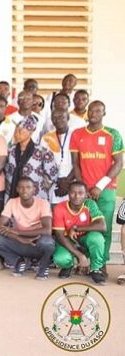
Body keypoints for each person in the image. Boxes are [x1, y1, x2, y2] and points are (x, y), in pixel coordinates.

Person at [70, 100, 123, 268]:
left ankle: (100, 263)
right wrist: (82, 187)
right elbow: (75, 163)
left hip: (106, 189)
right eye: (91, 110)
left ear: (104, 113)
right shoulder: (77, 134)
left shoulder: (113, 134)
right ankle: (84, 261)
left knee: (104, 227)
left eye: (98, 111)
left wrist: (99, 186)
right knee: (83, 225)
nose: (94, 114)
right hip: (83, 191)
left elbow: (119, 163)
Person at [0, 177, 55, 280]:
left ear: (34, 189)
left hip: (36, 242)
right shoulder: (12, 202)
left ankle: (44, 266)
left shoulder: (43, 203)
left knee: (47, 242)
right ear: (17, 189)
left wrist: (18, 232)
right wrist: (18, 237)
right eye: (21, 187)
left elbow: (47, 230)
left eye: (28, 187)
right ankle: (18, 262)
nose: (24, 190)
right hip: (20, 243)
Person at [52, 181, 107, 284]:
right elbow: (59, 235)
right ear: (68, 193)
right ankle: (68, 266)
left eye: (80, 193)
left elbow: (102, 226)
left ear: (86, 194)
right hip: (68, 240)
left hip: (85, 239)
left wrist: (77, 228)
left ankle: (95, 269)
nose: (77, 196)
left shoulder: (90, 204)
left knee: (97, 238)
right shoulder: (59, 208)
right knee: (60, 258)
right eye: (73, 192)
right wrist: (80, 256)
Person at [5, 116, 58, 201]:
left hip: (36, 196)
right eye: (16, 130)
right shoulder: (10, 151)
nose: (16, 133)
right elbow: (6, 171)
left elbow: (52, 173)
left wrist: (40, 186)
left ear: (30, 132)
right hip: (12, 194)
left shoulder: (43, 152)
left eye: (20, 130)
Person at [40, 110, 74, 205]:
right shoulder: (46, 138)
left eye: (61, 117)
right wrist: (58, 181)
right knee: (54, 210)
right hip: (53, 184)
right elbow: (43, 163)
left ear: (68, 118)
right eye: (54, 118)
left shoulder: (75, 134)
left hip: (73, 182)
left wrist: (66, 182)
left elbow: (79, 161)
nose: (58, 120)